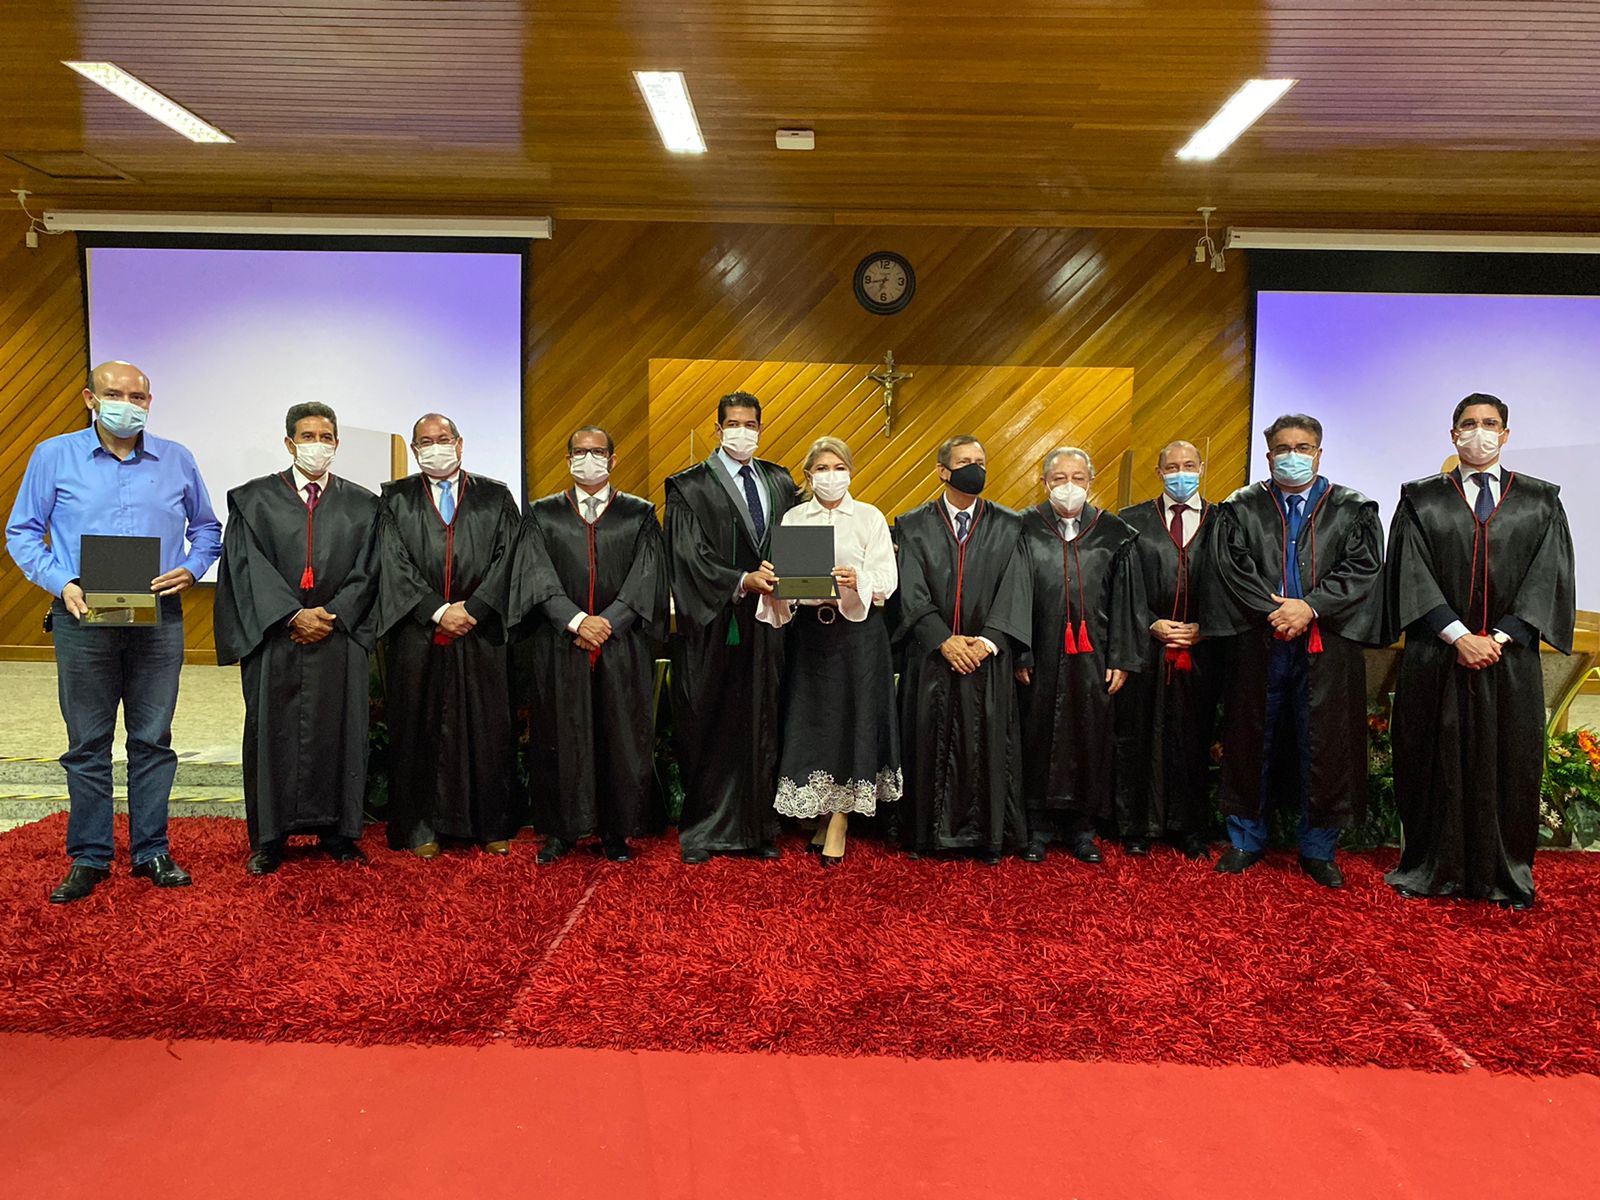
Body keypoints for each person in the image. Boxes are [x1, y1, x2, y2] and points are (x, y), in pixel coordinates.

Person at [5, 361, 221, 903]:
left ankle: (152, 851)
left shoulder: (177, 458)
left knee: (153, 739)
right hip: (83, 616)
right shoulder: (53, 455)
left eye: (138, 396)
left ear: (150, 402)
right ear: (90, 398)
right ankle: (90, 856)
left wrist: (193, 568)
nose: (128, 404)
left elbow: (207, 528)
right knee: (87, 742)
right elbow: (23, 531)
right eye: (115, 394)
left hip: (159, 617)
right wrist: (61, 582)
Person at [1383, 394, 1575, 909]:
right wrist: (1457, 635)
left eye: (1490, 424)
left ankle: (1505, 874)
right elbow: (1410, 573)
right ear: (1453, 435)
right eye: (1469, 424)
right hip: (1437, 655)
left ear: (1506, 435)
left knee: (1511, 762)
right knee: (1431, 759)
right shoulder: (1420, 499)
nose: (1479, 432)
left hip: (1509, 659)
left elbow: (1547, 576)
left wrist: (1501, 636)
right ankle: (1429, 868)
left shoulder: (1539, 501)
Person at [1203, 413, 1384, 888]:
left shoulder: (1352, 508)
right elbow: (1232, 569)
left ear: (1319, 453)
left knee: (1325, 742)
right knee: (1250, 738)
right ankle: (1246, 840)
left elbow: (1362, 568)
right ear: (1268, 456)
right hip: (1261, 642)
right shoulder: (1241, 507)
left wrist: (1310, 607)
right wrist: (1277, 612)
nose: (1293, 457)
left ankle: (1318, 849)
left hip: (1327, 644)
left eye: (1303, 448)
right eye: (1283, 449)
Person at [213, 402, 381, 875]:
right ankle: (270, 838)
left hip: (338, 635)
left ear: (337, 443)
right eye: (308, 436)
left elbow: (370, 570)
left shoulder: (364, 505)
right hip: (276, 636)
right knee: (272, 732)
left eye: (326, 437)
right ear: (289, 443)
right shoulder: (254, 500)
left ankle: (340, 833)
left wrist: (333, 614)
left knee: (341, 731)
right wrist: (291, 615)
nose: (317, 445)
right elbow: (246, 567)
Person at [512, 425, 668, 864]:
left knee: (620, 736)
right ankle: (561, 831)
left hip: (621, 646)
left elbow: (647, 578)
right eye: (580, 452)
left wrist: (608, 623)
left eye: (598, 452)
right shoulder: (542, 515)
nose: (589, 459)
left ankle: (616, 831)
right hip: (561, 644)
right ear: (568, 460)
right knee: (559, 735)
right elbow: (536, 576)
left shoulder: (639, 514)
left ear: (613, 460)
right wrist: (577, 621)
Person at [374, 413, 522, 858]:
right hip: (418, 631)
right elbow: (392, 562)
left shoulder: (496, 496)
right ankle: (422, 826)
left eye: (443, 439)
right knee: (418, 724)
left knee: (486, 725)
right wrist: (437, 611)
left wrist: (473, 609)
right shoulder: (394, 499)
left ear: (459, 444)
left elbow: (510, 558)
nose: (435, 447)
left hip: (482, 630)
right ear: (414, 449)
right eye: (425, 441)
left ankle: (491, 823)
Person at [663, 392, 798, 863]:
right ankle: (705, 832)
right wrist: (741, 580)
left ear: (760, 428)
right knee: (712, 720)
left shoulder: (780, 480)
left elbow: (798, 538)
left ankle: (758, 827)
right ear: (718, 430)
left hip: (768, 623)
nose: (743, 432)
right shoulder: (688, 487)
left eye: (750, 424)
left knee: (763, 721)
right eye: (733, 424)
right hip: (716, 624)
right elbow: (687, 555)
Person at [757, 437, 900, 865]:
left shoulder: (869, 517)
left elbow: (887, 579)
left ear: (850, 472)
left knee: (854, 719)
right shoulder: (796, 518)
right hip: (809, 635)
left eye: (838, 467)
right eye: (821, 468)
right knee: (815, 721)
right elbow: (790, 586)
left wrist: (859, 580)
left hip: (858, 635)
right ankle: (822, 811)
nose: (831, 476)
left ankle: (841, 819)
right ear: (808, 475)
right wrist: (776, 581)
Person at [894, 435, 1030, 864]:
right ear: (943, 471)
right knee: (927, 744)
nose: (975, 468)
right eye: (965, 461)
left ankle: (986, 837)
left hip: (987, 659)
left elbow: (1016, 588)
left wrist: (987, 641)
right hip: (931, 657)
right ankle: (925, 835)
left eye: (981, 461)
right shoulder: (912, 525)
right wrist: (943, 639)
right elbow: (909, 590)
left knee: (986, 745)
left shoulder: (1009, 525)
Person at [1011, 447, 1145, 863]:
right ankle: (1036, 827)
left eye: (1077, 478)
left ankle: (1082, 828)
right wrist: (1020, 652)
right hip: (1040, 652)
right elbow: (1013, 597)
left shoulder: (1115, 533)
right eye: (1059, 478)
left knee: (1089, 733)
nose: (1069, 486)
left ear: (1090, 481)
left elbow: (1126, 601)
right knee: (1036, 734)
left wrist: (1121, 657)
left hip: (1094, 655)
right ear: (1044, 482)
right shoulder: (1022, 529)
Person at [1114, 440, 1222, 860]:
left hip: (1201, 650)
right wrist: (1150, 623)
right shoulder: (1131, 521)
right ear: (1159, 473)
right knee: (1140, 735)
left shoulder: (1222, 521)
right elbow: (1119, 588)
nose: (1181, 473)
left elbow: (1233, 584)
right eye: (1172, 467)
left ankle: (1188, 827)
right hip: (1146, 648)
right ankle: (1137, 826)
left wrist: (1204, 628)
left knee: (1192, 736)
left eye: (1189, 465)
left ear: (1201, 468)